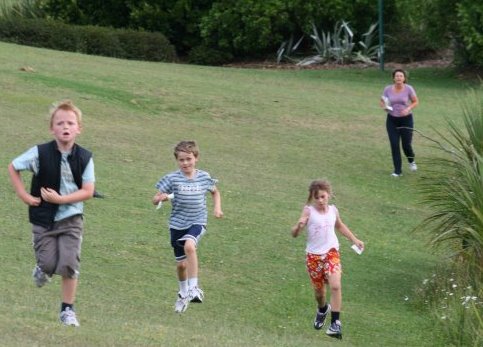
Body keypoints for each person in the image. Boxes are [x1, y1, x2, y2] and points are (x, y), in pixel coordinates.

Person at [7, 100, 95, 327]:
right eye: (60, 123)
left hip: (72, 218)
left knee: (69, 264)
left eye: (70, 123)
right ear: (51, 128)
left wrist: (62, 200)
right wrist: (25, 196)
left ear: (79, 128)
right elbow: (13, 167)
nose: (65, 127)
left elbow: (88, 191)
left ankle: (67, 311)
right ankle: (41, 268)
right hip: (43, 218)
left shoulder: (85, 157)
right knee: (47, 264)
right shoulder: (39, 153)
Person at [152, 140, 223, 313]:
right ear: (177, 161)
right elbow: (155, 198)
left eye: (188, 159)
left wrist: (217, 208)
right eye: (181, 160)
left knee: (190, 246)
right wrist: (160, 198)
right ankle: (183, 293)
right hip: (177, 225)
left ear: (196, 158)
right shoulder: (172, 178)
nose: (185, 163)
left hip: (197, 221)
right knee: (181, 265)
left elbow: (215, 192)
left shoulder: (204, 177)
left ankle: (193, 288)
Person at [291, 180, 364, 340]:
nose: (320, 200)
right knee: (319, 293)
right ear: (312, 198)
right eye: (317, 197)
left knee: (336, 285)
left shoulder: (333, 211)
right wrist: (299, 226)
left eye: (323, 196)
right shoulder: (308, 211)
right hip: (313, 257)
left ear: (328, 195)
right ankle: (322, 309)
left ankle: (335, 323)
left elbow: (340, 226)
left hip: (331, 252)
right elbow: (294, 234)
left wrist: (354, 239)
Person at [380, 68, 419, 177]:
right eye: (397, 76)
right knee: (394, 144)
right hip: (392, 120)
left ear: (404, 78)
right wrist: (384, 106)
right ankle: (397, 171)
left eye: (401, 76)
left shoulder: (409, 89)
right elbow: (382, 101)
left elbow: (416, 101)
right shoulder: (387, 89)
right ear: (393, 78)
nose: (399, 78)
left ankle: (411, 161)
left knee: (406, 145)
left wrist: (408, 108)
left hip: (406, 119)